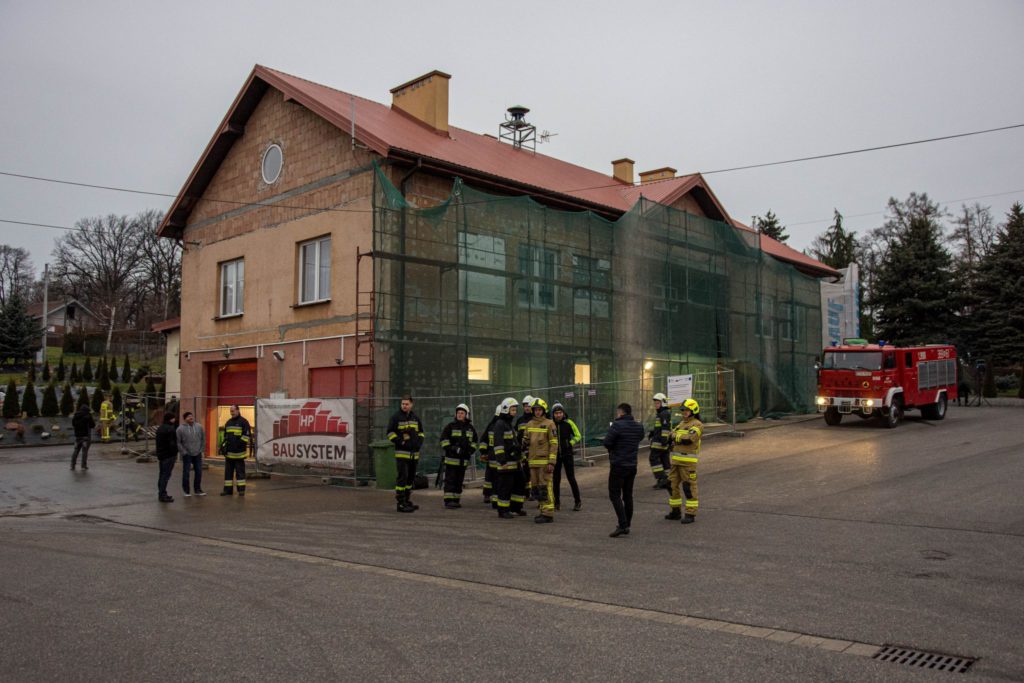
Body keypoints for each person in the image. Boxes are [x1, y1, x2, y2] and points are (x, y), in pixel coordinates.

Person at [603, 402, 644, 537]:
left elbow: (607, 442)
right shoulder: (638, 426)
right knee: (627, 495)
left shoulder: (617, 426)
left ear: (620, 412)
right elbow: (640, 437)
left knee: (614, 495)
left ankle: (622, 524)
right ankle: (627, 524)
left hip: (618, 465)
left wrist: (615, 448)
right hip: (632, 465)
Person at [666, 398, 703, 524]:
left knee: (688, 488)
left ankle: (690, 513)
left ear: (693, 410)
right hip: (675, 462)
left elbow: (689, 438)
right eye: (683, 410)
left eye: (687, 410)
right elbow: (670, 436)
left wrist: (675, 437)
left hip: (688, 463)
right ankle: (675, 511)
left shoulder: (697, 424)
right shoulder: (681, 424)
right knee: (671, 486)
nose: (684, 412)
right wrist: (676, 437)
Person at [386, 395, 424, 513]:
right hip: (402, 454)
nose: (404, 406)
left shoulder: (415, 418)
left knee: (410, 479)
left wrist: (419, 443)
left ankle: (407, 500)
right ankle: (400, 503)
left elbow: (421, 433)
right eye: (403, 404)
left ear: (411, 405)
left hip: (414, 454)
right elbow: (390, 433)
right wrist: (401, 442)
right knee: (402, 478)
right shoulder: (396, 417)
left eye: (406, 404)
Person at [523, 398, 558, 524]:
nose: (537, 412)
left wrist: (551, 462)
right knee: (536, 488)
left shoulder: (550, 424)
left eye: (539, 410)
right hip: (532, 462)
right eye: (535, 410)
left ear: (544, 410)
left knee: (545, 486)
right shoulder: (529, 424)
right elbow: (526, 441)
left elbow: (554, 444)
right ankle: (542, 510)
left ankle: (548, 514)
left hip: (544, 463)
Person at [488, 398, 522, 519]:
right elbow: (498, 444)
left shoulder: (508, 424)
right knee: (504, 487)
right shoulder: (500, 424)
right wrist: (502, 461)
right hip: (506, 463)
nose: (515, 412)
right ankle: (502, 510)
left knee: (518, 484)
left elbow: (510, 442)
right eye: (513, 409)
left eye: (515, 409)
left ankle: (515, 508)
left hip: (513, 462)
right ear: (506, 410)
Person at [439, 403, 477, 509]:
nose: (460, 415)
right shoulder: (450, 427)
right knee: (450, 480)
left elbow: (474, 442)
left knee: (459, 481)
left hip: (463, 461)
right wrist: (453, 449)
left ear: (466, 415)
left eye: (462, 413)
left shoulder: (470, 429)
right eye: (458, 413)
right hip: (451, 460)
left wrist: (470, 451)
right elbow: (443, 441)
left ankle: (456, 499)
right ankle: (448, 501)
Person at [550, 403, 582, 511]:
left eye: (560, 413)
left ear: (563, 413)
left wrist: (570, 443)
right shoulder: (551, 424)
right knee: (556, 479)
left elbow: (578, 435)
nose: (558, 415)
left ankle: (577, 501)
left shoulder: (569, 422)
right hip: (556, 456)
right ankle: (556, 503)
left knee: (571, 478)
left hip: (567, 455)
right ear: (553, 414)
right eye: (556, 413)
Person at [220, 404, 252, 497]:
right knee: (228, 474)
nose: (231, 413)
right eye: (230, 411)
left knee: (240, 473)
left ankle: (241, 490)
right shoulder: (228, 422)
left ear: (238, 410)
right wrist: (224, 446)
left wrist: (237, 446)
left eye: (233, 411)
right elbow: (226, 437)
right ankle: (227, 490)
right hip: (229, 454)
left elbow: (246, 436)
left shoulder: (244, 422)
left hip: (239, 454)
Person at [176, 411, 206, 497]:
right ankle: (186, 491)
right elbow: (178, 442)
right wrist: (184, 452)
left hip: (197, 453)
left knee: (199, 472)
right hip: (187, 454)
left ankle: (198, 489)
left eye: (191, 416)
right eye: (188, 416)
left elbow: (203, 439)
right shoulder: (180, 429)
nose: (191, 417)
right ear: (185, 419)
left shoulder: (199, 427)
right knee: (186, 472)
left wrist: (201, 450)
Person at [647, 392, 673, 489]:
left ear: (663, 403)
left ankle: (662, 479)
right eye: (655, 403)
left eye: (658, 403)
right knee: (664, 461)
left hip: (659, 443)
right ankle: (668, 479)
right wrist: (653, 432)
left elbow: (665, 428)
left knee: (653, 459)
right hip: (662, 442)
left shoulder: (664, 413)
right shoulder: (663, 413)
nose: (656, 405)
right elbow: (661, 427)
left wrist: (663, 441)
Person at [155, 412, 179, 503]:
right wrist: (175, 452)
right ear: (170, 419)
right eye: (173, 418)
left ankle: (162, 493)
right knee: (166, 476)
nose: (175, 420)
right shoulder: (170, 429)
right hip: (168, 455)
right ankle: (162, 495)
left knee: (162, 475)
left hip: (162, 455)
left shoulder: (160, 428)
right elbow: (172, 444)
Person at [516, 395, 535, 500]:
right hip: (523, 451)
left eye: (528, 406)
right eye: (525, 406)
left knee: (533, 472)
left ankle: (533, 492)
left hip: (533, 450)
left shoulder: (535, 419)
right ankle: (526, 492)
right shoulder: (519, 420)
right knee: (525, 472)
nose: (527, 408)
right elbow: (516, 435)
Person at [70, 403, 95, 471]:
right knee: (85, 451)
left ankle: (72, 465)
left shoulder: (76, 415)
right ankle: (83, 466)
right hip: (86, 436)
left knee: (76, 450)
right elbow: (92, 425)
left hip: (77, 436)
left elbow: (73, 424)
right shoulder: (88, 415)